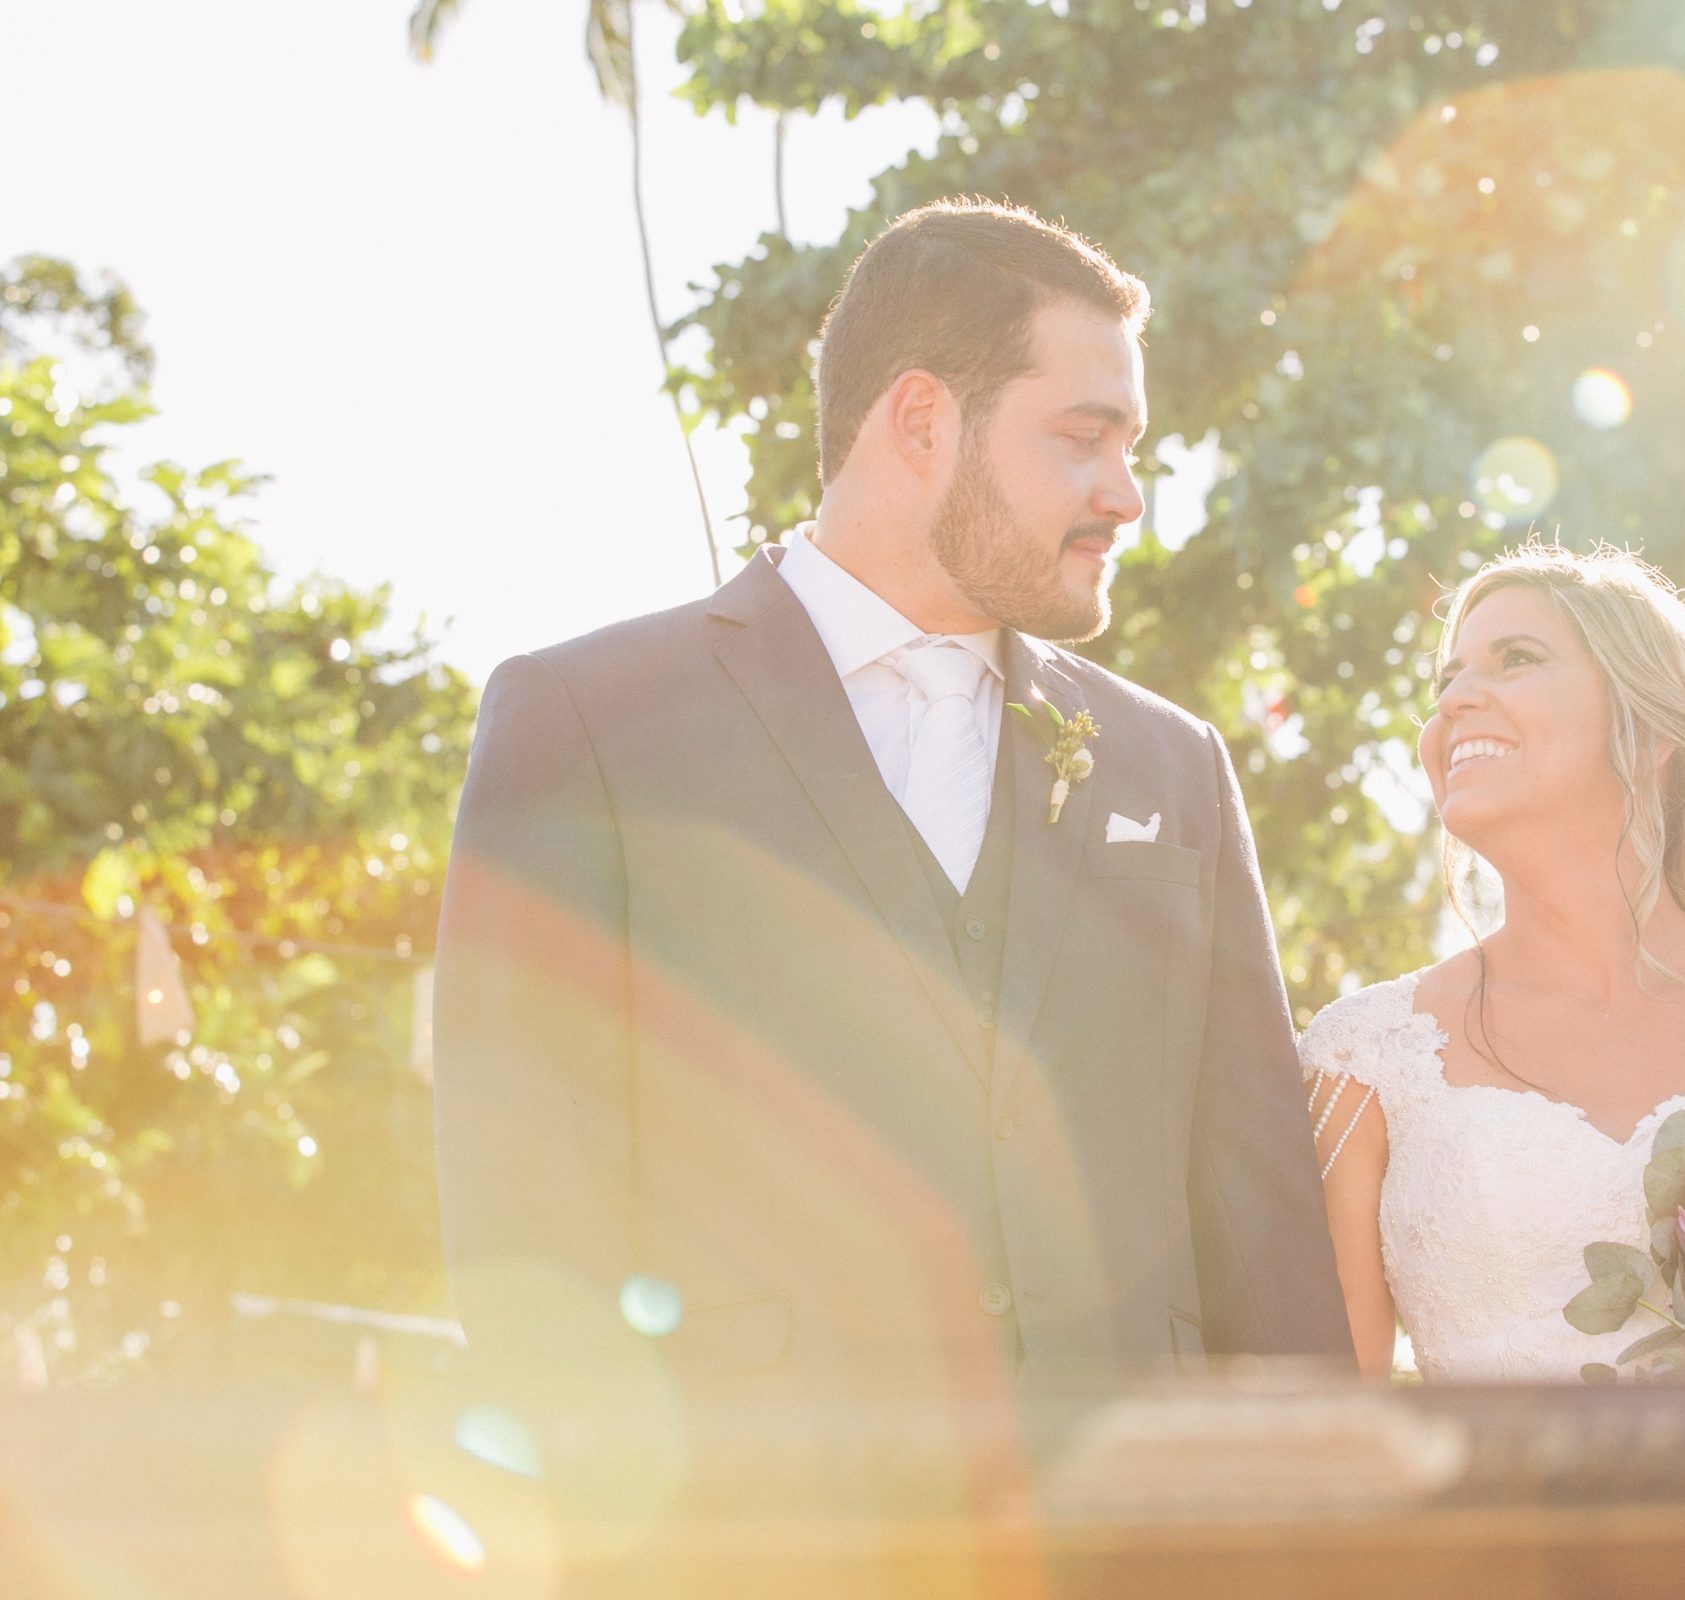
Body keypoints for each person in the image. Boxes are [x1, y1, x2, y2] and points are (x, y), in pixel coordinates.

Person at [431, 199, 1350, 1469]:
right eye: (1083, 439)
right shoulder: (589, 724)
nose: (1125, 495)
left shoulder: (1170, 767)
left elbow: (1262, 1224)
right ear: (922, 420)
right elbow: (526, 1211)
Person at [1305, 543, 1685, 1382]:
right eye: (1444, 681)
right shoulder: (1363, 1060)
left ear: (1652, 731)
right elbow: (1335, 1424)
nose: (1454, 700)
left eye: (1516, 659)